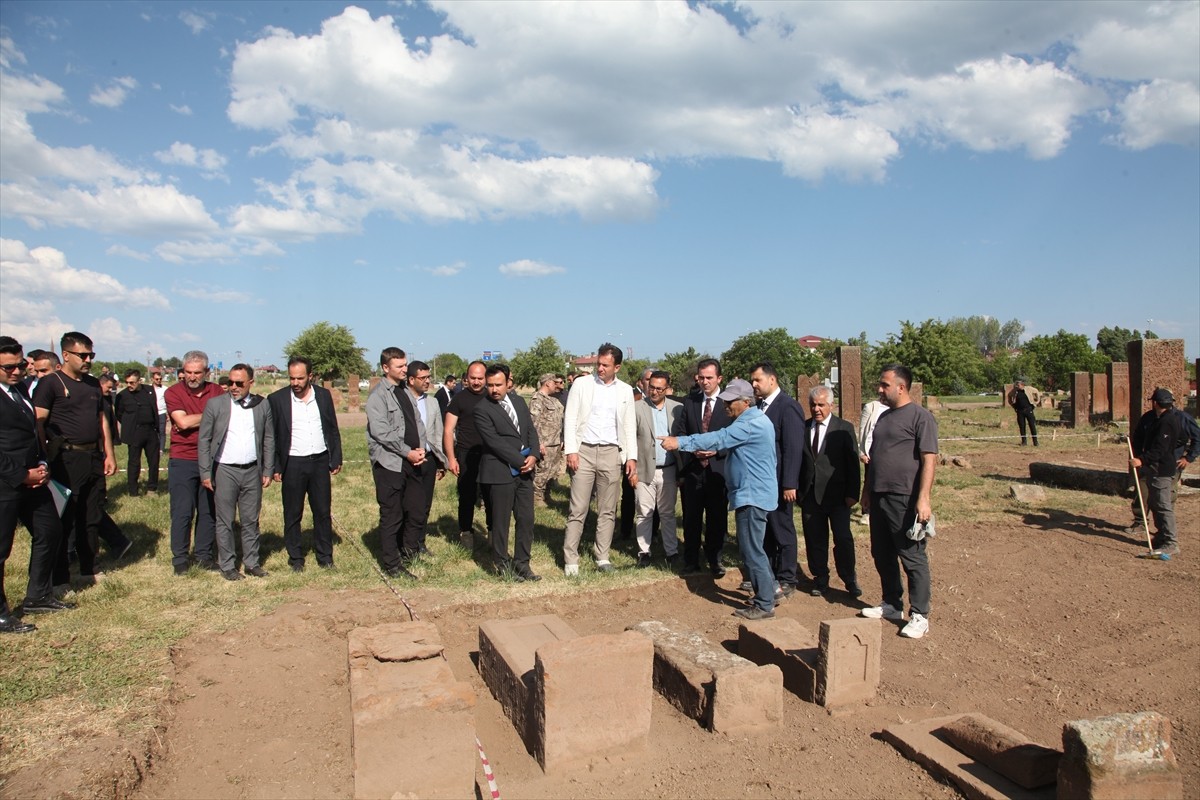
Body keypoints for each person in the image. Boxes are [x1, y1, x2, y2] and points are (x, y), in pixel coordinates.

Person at [661, 379, 778, 619]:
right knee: (755, 548)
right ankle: (770, 591)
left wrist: (679, 442)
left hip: (752, 495)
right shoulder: (755, 420)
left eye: (730, 401)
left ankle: (764, 604)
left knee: (751, 551)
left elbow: (719, 437)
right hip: (755, 493)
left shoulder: (749, 424)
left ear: (746, 402)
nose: (725, 404)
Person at [33, 331, 117, 588]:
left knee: (91, 515)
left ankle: (88, 567)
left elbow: (101, 420)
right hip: (65, 458)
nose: (88, 359)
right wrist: (42, 456)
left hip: (93, 456)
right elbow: (38, 421)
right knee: (64, 518)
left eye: (91, 354)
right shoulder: (51, 383)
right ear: (66, 355)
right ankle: (59, 577)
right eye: (83, 355)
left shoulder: (92, 384)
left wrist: (109, 454)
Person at [859, 365, 938, 639]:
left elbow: (929, 459)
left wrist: (923, 498)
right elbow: (874, 457)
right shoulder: (883, 418)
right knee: (881, 553)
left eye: (884, 385)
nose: (879, 389)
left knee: (911, 555)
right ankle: (892, 603)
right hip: (879, 495)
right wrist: (867, 491)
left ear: (901, 387)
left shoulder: (921, 418)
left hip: (904, 498)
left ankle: (919, 614)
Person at [0, 336, 72, 633]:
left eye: (20, 365)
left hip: (35, 478)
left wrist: (42, 463)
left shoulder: (20, 392)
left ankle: (38, 594)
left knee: (50, 530)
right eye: (9, 368)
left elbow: (34, 432)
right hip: (7, 483)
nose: (17, 372)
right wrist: (21, 474)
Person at [562, 343, 637, 576]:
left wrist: (630, 457)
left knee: (607, 509)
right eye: (598, 364)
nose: (600, 368)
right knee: (578, 508)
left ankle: (602, 556)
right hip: (583, 451)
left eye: (605, 365)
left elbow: (628, 425)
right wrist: (571, 450)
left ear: (618, 367)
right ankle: (570, 559)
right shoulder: (582, 385)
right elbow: (571, 418)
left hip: (611, 453)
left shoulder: (625, 390)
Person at [198, 364, 275, 581]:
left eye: (239, 383)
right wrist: (205, 472)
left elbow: (269, 438)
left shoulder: (262, 405)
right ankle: (228, 565)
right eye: (230, 382)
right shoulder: (215, 405)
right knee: (225, 521)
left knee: (251, 520)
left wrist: (267, 468)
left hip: (252, 470)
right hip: (225, 470)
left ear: (251, 383)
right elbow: (203, 439)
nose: (233, 387)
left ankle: (252, 563)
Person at [268, 356, 343, 572]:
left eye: (300, 378)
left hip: (319, 461)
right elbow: (272, 436)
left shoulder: (323, 395)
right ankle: (296, 558)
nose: (295, 383)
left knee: (322, 511)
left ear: (310, 376)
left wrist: (335, 457)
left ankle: (325, 556)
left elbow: (332, 428)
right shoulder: (277, 399)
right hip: (293, 463)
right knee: (292, 513)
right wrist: (276, 466)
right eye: (291, 378)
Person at [474, 364, 542, 581]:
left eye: (498, 385)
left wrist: (534, 457)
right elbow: (493, 442)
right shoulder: (482, 409)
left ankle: (522, 563)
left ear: (508, 382)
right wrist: (520, 460)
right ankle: (502, 564)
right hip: (499, 471)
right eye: (490, 385)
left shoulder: (519, 401)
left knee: (526, 519)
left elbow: (530, 430)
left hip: (524, 472)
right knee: (501, 522)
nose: (494, 389)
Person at [164, 350, 225, 575]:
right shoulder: (173, 392)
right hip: (182, 458)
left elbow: (225, 417)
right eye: (188, 372)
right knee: (182, 511)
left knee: (208, 510)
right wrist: (211, 414)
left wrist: (196, 419)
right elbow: (182, 422)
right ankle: (180, 559)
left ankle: (204, 555)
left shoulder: (217, 391)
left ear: (206, 372)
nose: (191, 377)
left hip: (210, 459)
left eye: (197, 373)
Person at [801, 386, 862, 598]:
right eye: (813, 405)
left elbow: (853, 463)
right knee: (815, 539)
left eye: (821, 405)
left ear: (831, 405)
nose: (816, 409)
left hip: (838, 496)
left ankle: (849, 578)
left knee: (843, 538)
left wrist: (853, 493)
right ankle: (820, 578)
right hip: (810, 495)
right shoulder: (804, 427)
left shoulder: (844, 428)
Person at [750, 362, 805, 597]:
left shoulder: (788, 407)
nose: (753, 384)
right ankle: (769, 575)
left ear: (772, 380)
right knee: (767, 531)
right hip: (762, 482)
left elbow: (793, 448)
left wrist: (790, 482)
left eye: (757, 380)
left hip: (780, 481)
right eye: (752, 380)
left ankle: (787, 577)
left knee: (782, 529)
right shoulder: (758, 407)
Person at [367, 347, 421, 579]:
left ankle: (405, 552)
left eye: (405, 365)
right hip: (390, 464)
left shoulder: (405, 391)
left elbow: (415, 421)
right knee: (391, 515)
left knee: (409, 511)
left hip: (410, 461)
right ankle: (392, 565)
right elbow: (382, 433)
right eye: (399, 366)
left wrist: (421, 449)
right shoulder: (378, 396)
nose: (404, 369)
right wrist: (408, 452)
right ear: (385, 368)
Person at [677, 358, 732, 576]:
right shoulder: (690, 401)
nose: (705, 382)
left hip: (718, 469)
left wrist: (718, 451)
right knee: (691, 517)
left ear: (719, 378)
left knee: (717, 517)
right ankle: (691, 560)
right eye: (701, 377)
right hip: (694, 469)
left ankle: (715, 559)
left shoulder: (729, 403)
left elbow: (735, 436)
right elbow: (682, 432)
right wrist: (692, 450)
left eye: (709, 378)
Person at [1130, 388, 1198, 556]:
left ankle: (1171, 541)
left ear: (1155, 403)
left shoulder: (1168, 421)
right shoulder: (1157, 418)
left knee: (1163, 504)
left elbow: (1160, 448)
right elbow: (1144, 439)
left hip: (1162, 468)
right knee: (1155, 503)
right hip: (1154, 467)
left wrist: (1142, 459)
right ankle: (1161, 536)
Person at [633, 370, 683, 567]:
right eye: (651, 387)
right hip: (644, 468)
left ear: (667, 389)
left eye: (659, 389)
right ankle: (644, 552)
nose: (654, 392)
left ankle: (671, 551)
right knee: (644, 511)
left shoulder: (677, 409)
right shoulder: (637, 408)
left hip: (669, 468)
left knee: (667, 512)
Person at [399, 361, 446, 556]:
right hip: (406, 459)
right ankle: (402, 543)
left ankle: (419, 542)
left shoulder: (432, 402)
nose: (428, 381)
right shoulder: (400, 399)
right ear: (411, 380)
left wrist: (440, 461)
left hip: (428, 459)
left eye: (429, 377)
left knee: (424, 504)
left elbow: (437, 433)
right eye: (423, 378)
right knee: (406, 505)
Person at [443, 361, 488, 549]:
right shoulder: (459, 399)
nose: (476, 382)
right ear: (466, 378)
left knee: (491, 496)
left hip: (489, 455)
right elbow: (448, 430)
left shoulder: (493, 397)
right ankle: (466, 532)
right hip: (466, 453)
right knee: (467, 496)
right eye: (473, 378)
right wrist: (451, 458)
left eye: (480, 378)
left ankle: (493, 532)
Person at [115, 369, 160, 495]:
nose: (129, 385)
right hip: (134, 432)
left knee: (154, 461)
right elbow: (119, 414)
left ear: (139, 380)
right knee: (134, 462)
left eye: (132, 382)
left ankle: (152, 488)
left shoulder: (149, 391)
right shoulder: (122, 396)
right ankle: (133, 490)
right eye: (127, 382)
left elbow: (154, 408)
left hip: (150, 431)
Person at [530, 373, 565, 506]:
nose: (557, 385)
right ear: (547, 383)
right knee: (542, 471)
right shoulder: (537, 399)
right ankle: (537, 497)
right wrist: (538, 443)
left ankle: (546, 495)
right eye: (554, 382)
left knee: (552, 471)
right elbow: (534, 423)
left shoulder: (553, 400)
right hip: (545, 443)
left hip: (555, 442)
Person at [857, 398, 888, 526]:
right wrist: (862, 452)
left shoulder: (896, 408)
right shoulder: (871, 407)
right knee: (869, 480)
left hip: (888, 453)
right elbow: (863, 430)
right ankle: (866, 512)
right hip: (871, 452)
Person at [1007, 378, 1040, 446]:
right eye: (1016, 385)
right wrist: (1012, 404)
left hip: (1028, 409)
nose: (1017, 386)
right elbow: (1009, 395)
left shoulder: (1028, 389)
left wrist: (1036, 402)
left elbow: (1036, 392)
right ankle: (1024, 442)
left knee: (1032, 426)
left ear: (1022, 385)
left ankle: (1035, 442)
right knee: (1022, 426)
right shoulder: (1015, 391)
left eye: (1018, 385)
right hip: (1020, 411)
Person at [150, 369, 168, 451]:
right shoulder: (148, 389)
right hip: (152, 413)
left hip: (162, 413)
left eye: (160, 379)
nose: (159, 380)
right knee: (153, 432)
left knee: (162, 432)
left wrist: (168, 413)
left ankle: (161, 449)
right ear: (152, 379)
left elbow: (168, 402)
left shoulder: (165, 389)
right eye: (157, 379)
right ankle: (154, 448)